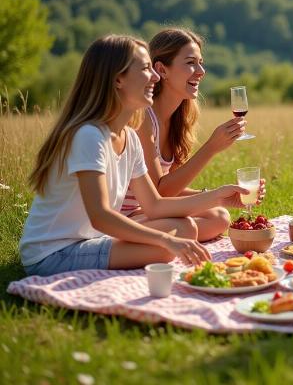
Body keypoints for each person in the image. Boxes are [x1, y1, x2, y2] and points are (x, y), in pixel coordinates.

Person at [20, 35, 251, 277]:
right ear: (118, 79)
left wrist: (220, 197)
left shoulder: (129, 138)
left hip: (91, 239)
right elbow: (100, 216)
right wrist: (164, 241)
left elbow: (154, 205)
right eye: (145, 68)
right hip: (54, 254)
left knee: (181, 230)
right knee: (174, 240)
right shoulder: (89, 135)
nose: (154, 77)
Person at [120, 28, 256, 242]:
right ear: (161, 70)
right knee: (187, 226)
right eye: (191, 62)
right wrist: (211, 148)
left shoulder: (178, 119)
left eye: (201, 62)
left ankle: (161, 241)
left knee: (220, 216)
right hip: (124, 216)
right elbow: (161, 193)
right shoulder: (144, 119)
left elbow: (171, 190)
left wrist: (220, 195)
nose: (201, 71)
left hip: (147, 211)